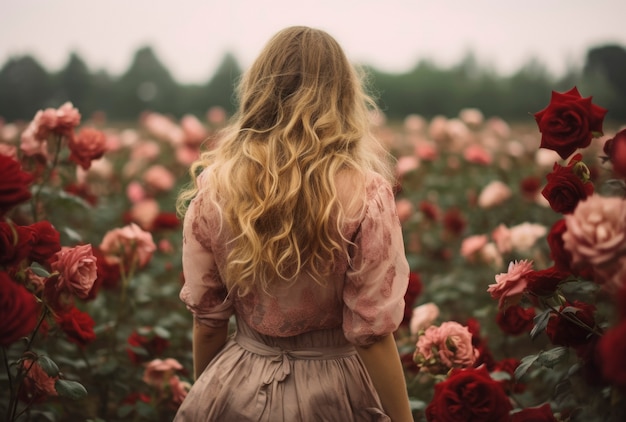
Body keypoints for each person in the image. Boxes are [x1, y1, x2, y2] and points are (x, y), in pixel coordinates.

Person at [174, 26, 413, 422]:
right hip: (334, 390)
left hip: (239, 382)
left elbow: (209, 321)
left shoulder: (216, 188)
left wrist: (211, 392)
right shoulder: (366, 193)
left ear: (259, 91)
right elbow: (372, 335)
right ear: (342, 96)